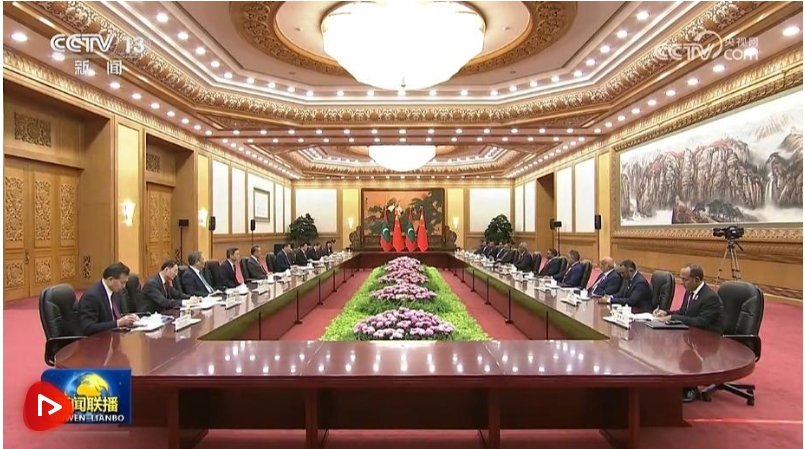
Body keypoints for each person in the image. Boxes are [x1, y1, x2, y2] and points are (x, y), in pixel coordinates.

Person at [654, 264, 724, 334]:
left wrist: (672, 317)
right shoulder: (689, 291)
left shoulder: (710, 297)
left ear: (696, 280)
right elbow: (683, 312)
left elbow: (701, 322)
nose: (681, 282)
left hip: (708, 336)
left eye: (685, 279)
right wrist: (666, 313)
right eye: (681, 278)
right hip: (691, 333)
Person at [78, 262, 139, 335]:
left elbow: (115, 316)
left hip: (115, 337)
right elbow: (88, 328)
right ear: (110, 279)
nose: (124, 286)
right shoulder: (92, 297)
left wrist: (129, 318)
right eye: (122, 282)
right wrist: (118, 323)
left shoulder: (115, 292)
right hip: (99, 339)